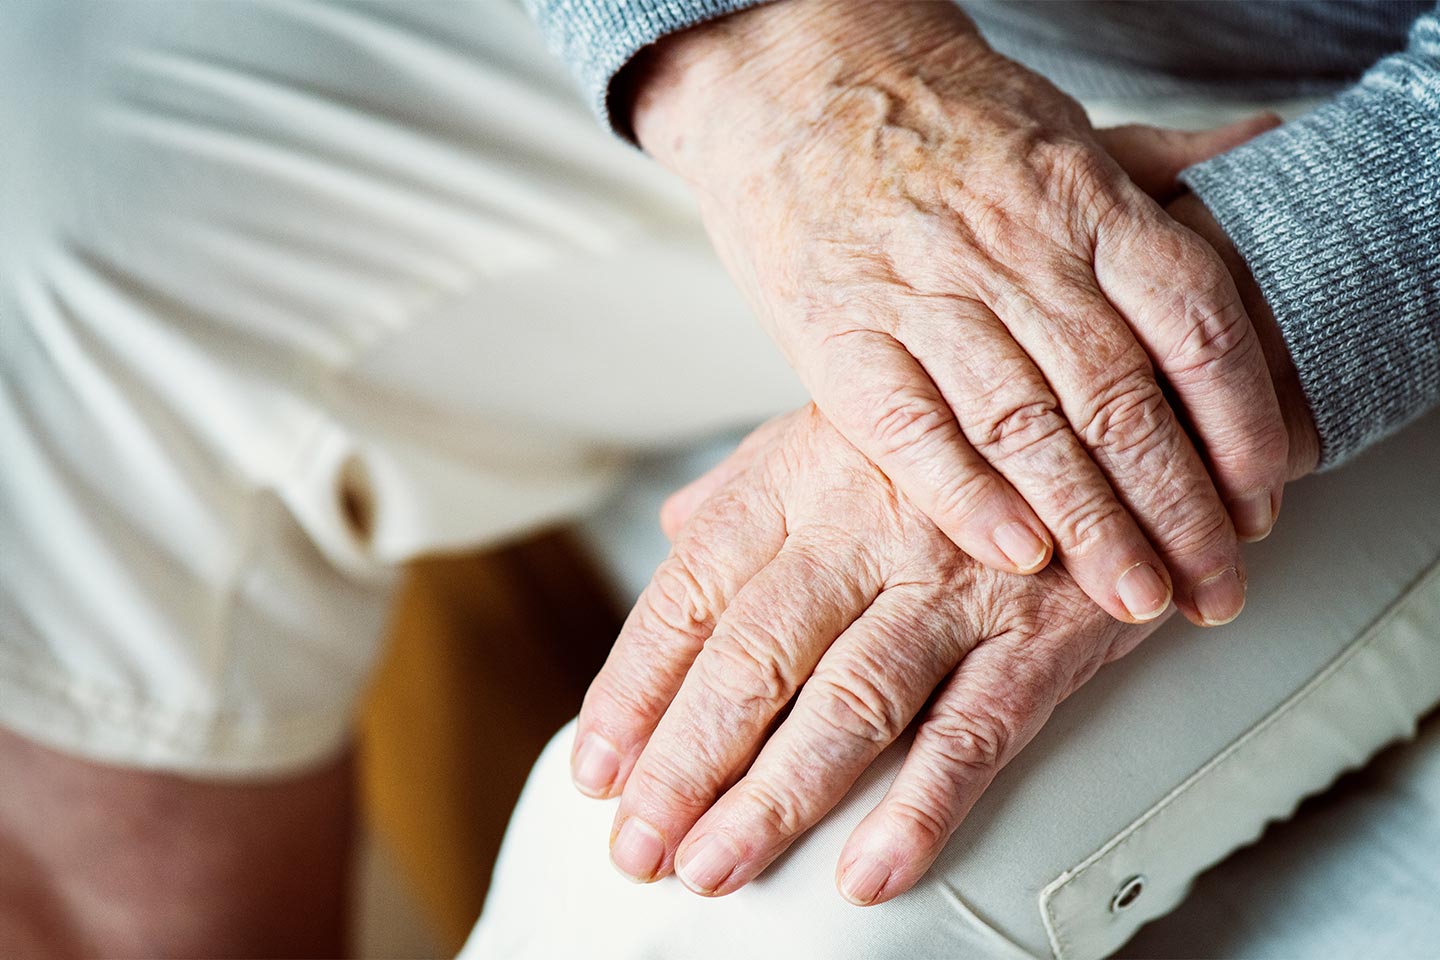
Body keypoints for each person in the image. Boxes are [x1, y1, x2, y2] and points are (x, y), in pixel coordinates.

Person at [0, 0, 1435, 956]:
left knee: (713, 887)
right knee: (53, 200)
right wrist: (774, 60)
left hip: (1359, 142)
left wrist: (1157, 357)